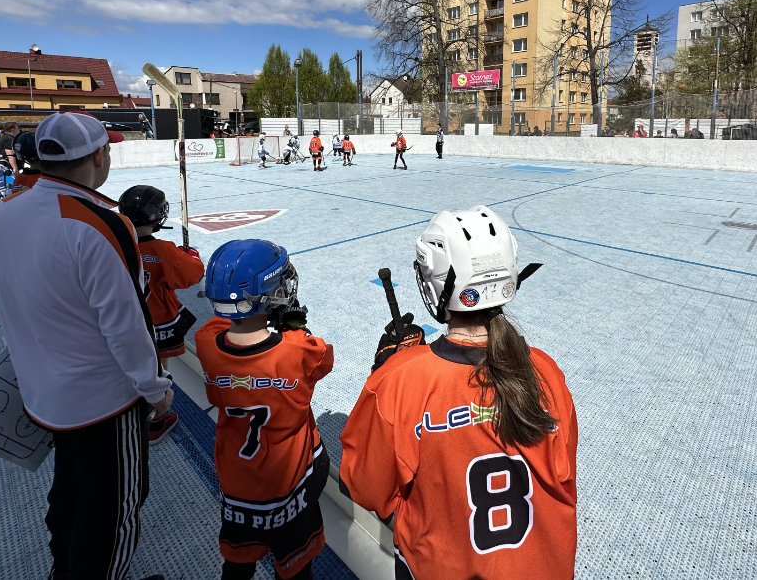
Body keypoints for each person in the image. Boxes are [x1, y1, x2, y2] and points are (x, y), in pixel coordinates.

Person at [0, 111, 172, 580]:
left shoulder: (3, 212)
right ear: (98, 156)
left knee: (69, 491)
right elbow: (127, 325)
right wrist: (154, 389)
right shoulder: (101, 223)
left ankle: (63, 570)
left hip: (43, 392)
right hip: (102, 400)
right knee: (112, 511)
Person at [339, 205, 577, 579]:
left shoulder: (401, 381)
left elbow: (365, 488)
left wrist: (385, 371)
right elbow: (562, 476)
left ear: (436, 281)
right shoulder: (546, 373)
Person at [196, 239, 333, 580]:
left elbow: (217, 325)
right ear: (269, 294)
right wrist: (293, 326)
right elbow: (323, 357)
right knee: (297, 565)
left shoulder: (206, 345)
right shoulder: (298, 350)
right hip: (289, 485)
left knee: (238, 562)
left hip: (239, 482)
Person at [119, 185, 204, 445]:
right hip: (159, 323)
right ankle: (154, 420)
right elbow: (192, 274)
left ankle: (134, 410)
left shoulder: (116, 241)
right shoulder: (163, 250)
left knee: (134, 366)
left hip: (126, 321)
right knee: (159, 371)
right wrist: (191, 256)